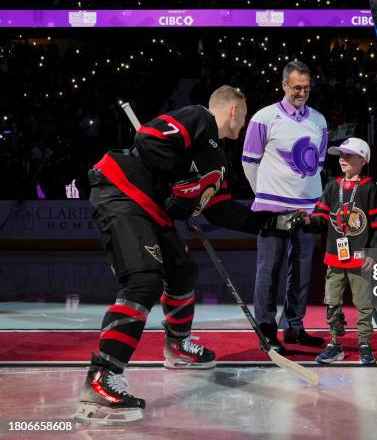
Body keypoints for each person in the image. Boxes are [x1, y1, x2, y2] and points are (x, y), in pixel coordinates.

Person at [76, 86, 302, 424]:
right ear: (234, 110)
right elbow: (149, 139)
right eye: (245, 114)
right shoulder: (199, 117)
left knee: (182, 271)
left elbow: (221, 210)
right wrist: (181, 183)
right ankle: (101, 375)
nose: (245, 124)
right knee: (144, 281)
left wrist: (271, 222)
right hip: (121, 192)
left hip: (150, 209)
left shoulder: (218, 161)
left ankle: (178, 347)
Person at [242, 60, 327, 353]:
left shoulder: (319, 121)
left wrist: (314, 205)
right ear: (283, 86)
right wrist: (264, 197)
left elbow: (319, 164)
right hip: (273, 209)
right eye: (296, 87)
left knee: (302, 271)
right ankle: (266, 331)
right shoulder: (263, 118)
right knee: (269, 271)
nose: (302, 92)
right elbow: (248, 161)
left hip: (308, 209)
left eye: (306, 87)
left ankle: (294, 327)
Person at [302, 138, 377, 365]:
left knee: (363, 303)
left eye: (349, 155)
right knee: (331, 302)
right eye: (341, 155)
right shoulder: (332, 185)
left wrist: (373, 253)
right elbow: (321, 218)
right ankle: (334, 343)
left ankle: (365, 343)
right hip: (334, 256)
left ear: (363, 159)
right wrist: (308, 221)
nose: (343, 159)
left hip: (360, 258)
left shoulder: (370, 187)